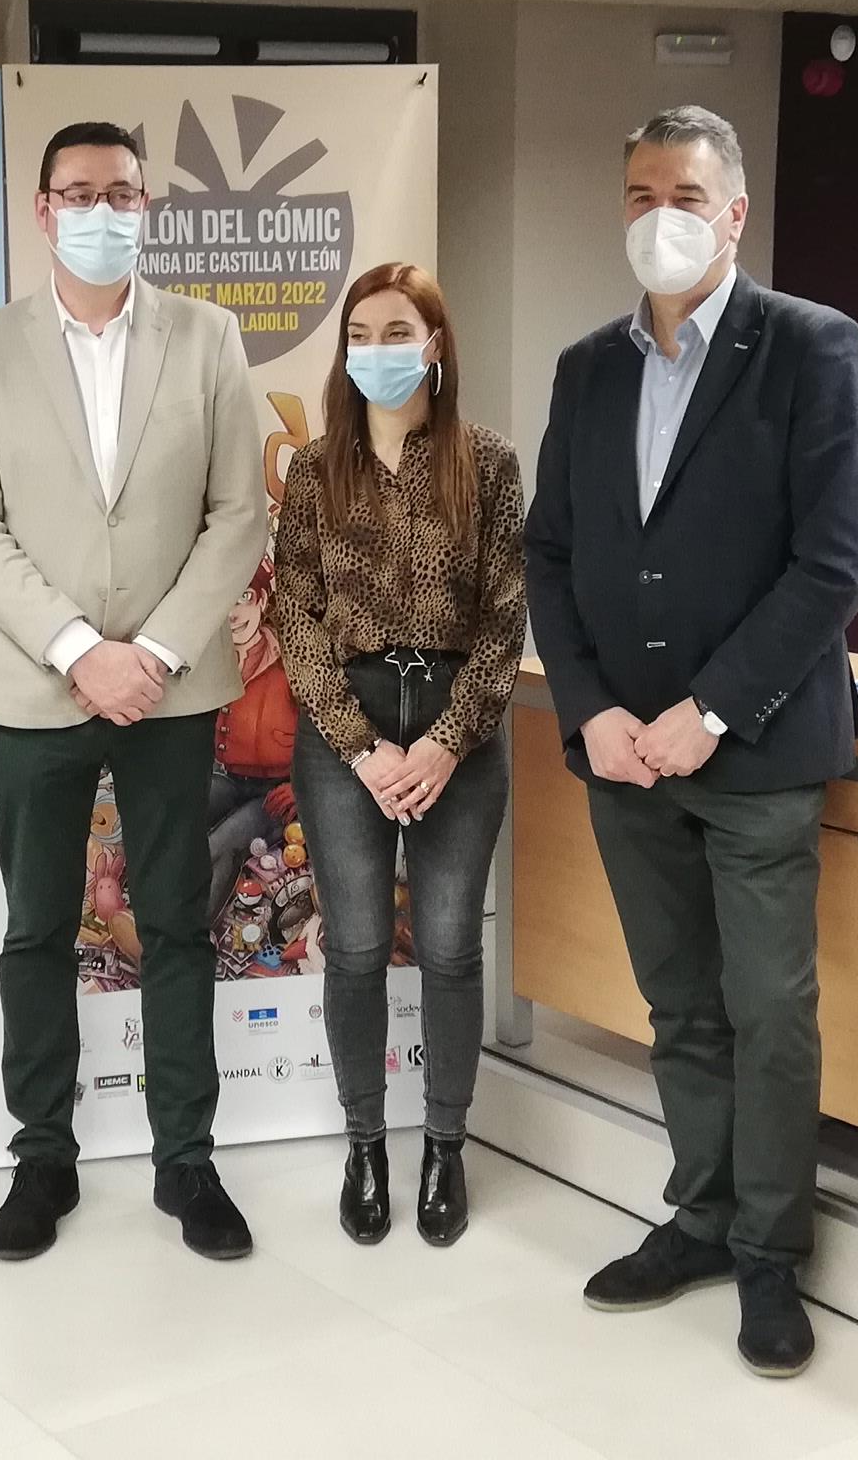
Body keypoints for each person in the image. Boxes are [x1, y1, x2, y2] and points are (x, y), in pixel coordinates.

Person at [523, 106, 858, 1377]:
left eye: (684, 194)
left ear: (735, 211)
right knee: (679, 1003)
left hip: (754, 751)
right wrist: (593, 710)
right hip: (625, 753)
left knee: (769, 1010)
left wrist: (712, 709)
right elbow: (551, 554)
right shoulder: (588, 367)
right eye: (639, 194)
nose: (658, 216)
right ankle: (702, 1212)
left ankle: (772, 1253)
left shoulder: (811, 347)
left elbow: (831, 563)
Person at [0, 121, 269, 1262]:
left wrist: (156, 652)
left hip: (171, 690)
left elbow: (238, 515)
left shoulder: (208, 336)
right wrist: (81, 647)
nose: (100, 211)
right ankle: (43, 1157)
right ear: (42, 210)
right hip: (38, 687)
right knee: (37, 928)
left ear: (146, 207)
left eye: (121, 193)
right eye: (78, 193)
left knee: (176, 921)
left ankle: (188, 1161)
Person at [269, 261, 524, 1249]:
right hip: (350, 726)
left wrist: (448, 742)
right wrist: (363, 746)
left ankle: (446, 1146)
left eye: (398, 332)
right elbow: (296, 618)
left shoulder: (487, 462)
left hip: (463, 724)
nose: (378, 351)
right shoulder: (314, 470)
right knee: (359, 946)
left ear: (436, 344)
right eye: (362, 335)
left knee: (452, 945)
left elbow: (505, 618)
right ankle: (365, 1145)